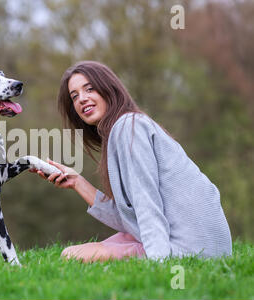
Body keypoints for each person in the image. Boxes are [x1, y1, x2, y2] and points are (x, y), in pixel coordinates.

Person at [29, 61, 232, 262]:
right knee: (80, 251)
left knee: (73, 255)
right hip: (201, 246)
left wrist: (159, 263)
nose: (82, 99)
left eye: (89, 89)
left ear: (109, 88)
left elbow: (147, 203)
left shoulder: (128, 126)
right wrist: (77, 182)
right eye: (75, 96)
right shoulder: (126, 127)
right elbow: (131, 220)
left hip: (191, 249)